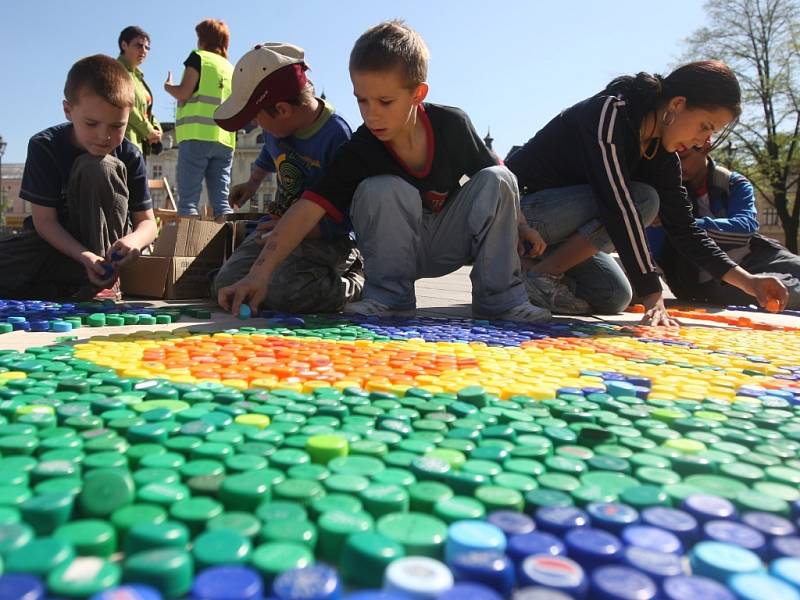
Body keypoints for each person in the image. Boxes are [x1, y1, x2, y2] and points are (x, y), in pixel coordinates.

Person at [217, 20, 549, 323]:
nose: (371, 115)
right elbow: (306, 209)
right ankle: (390, 298)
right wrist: (259, 274)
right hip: (397, 251)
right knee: (381, 187)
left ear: (418, 94)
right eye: (362, 101)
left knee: (500, 177)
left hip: (451, 241)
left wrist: (521, 227)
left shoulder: (452, 124)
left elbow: (494, 177)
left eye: (385, 102)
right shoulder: (362, 146)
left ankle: (501, 298)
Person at [506, 60, 788, 324]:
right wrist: (654, 296)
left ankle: (527, 268)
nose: (703, 141)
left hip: (557, 235)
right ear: (677, 104)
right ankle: (540, 274)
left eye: (711, 133)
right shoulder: (610, 113)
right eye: (705, 126)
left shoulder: (663, 155)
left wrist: (749, 282)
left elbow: (685, 230)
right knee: (644, 199)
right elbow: (618, 206)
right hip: (521, 214)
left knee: (614, 296)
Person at [210, 43, 363, 313]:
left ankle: (356, 282)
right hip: (275, 227)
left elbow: (347, 211)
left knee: (283, 290)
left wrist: (297, 232)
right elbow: (269, 154)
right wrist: (252, 183)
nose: (257, 127)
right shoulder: (276, 130)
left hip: (325, 237)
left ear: (282, 109)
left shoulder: (336, 136)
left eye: (256, 119)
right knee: (225, 283)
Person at [0, 55, 157, 300]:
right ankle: (67, 283)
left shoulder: (129, 154)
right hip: (56, 246)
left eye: (117, 126)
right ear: (68, 111)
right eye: (92, 123)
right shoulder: (45, 146)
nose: (104, 136)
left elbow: (148, 223)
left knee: (98, 166)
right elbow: (45, 223)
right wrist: (84, 256)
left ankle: (97, 281)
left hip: (105, 252)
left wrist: (133, 241)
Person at [648, 142, 800, 309]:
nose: (677, 165)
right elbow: (653, 250)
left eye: (683, 158)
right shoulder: (664, 190)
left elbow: (745, 228)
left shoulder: (731, 182)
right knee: (779, 293)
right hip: (708, 276)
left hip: (755, 255)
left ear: (705, 145)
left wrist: (684, 222)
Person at [165, 18, 235, 223]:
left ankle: (188, 249)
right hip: (225, 140)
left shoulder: (199, 58)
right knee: (221, 202)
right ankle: (228, 248)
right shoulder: (230, 68)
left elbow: (184, 92)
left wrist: (168, 86)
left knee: (188, 201)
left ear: (203, 39)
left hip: (196, 136)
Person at [117, 25, 162, 156]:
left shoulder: (138, 77)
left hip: (138, 145)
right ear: (124, 45)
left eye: (147, 47)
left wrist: (156, 129)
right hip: (123, 143)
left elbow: (145, 110)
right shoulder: (116, 71)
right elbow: (125, 105)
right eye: (139, 45)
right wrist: (148, 130)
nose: (144, 51)